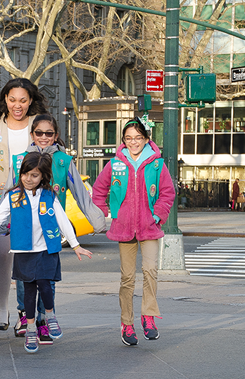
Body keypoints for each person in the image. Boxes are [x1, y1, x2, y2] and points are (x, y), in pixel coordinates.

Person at [0, 152, 93, 354]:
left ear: (43, 176)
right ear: (20, 173)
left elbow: (62, 221)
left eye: (34, 175)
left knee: (45, 285)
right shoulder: (13, 196)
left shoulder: (49, 196)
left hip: (46, 250)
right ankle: (31, 329)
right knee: (29, 291)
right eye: (25, 174)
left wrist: (76, 245)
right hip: (23, 250)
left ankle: (50, 316)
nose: (29, 179)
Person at [9, 114, 106, 341]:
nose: (43, 137)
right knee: (24, 278)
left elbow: (81, 194)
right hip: (24, 228)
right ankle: (25, 315)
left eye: (48, 133)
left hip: (50, 231)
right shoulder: (20, 159)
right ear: (32, 134)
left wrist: (97, 221)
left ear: (56, 136)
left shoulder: (64, 161)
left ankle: (44, 320)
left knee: (46, 279)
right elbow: (10, 190)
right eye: (39, 133)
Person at [92, 117, 175, 346]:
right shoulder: (115, 164)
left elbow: (167, 192)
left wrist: (157, 215)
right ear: (123, 140)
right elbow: (99, 190)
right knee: (127, 278)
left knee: (150, 270)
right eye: (128, 138)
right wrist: (105, 213)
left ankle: (148, 316)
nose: (133, 142)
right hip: (124, 228)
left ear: (146, 139)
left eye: (138, 137)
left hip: (149, 227)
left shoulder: (157, 164)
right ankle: (126, 323)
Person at [0, 78, 49, 331]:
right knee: (2, 254)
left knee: (27, 254)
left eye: (23, 100)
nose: (17, 105)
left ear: (31, 101)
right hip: (0, 197)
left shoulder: (38, 122)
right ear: (4, 99)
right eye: (12, 99)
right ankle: (2, 309)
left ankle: (28, 313)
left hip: (32, 198)